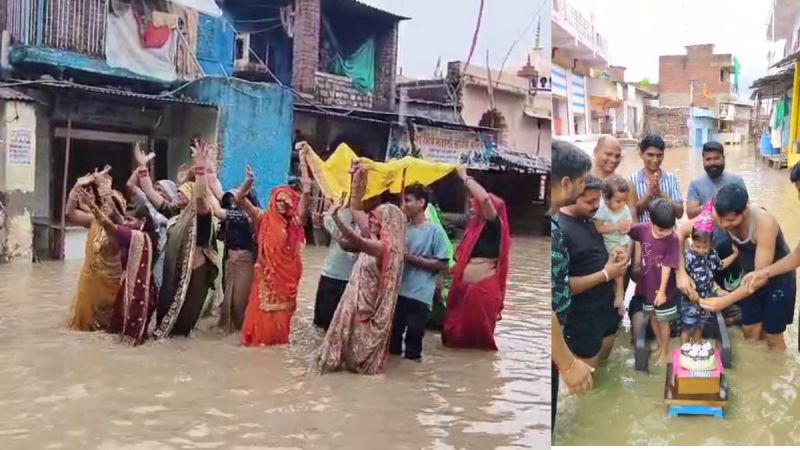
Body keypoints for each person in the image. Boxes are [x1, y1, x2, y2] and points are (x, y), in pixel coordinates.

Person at [682, 184, 796, 351]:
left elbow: (760, 278)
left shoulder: (764, 223)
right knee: (750, 332)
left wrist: (723, 301)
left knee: (772, 336)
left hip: (778, 282)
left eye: (730, 220)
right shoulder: (717, 215)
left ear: (746, 209)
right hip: (749, 278)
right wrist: (681, 274)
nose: (723, 225)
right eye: (720, 219)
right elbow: (680, 233)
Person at [316, 194, 406, 374]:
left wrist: (334, 217)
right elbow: (347, 244)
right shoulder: (380, 243)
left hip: (366, 308)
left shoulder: (382, 248)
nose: (371, 219)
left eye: (376, 218)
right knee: (350, 354)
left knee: (359, 356)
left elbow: (355, 240)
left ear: (387, 224)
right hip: (358, 303)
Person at [138, 142, 220, 338]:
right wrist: (142, 168)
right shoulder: (175, 213)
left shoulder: (201, 217)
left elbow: (201, 199)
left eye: (184, 192)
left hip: (192, 280)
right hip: (171, 275)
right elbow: (150, 194)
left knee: (181, 330)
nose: (179, 194)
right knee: (164, 323)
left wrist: (200, 169)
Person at [239, 151, 311, 346]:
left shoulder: (295, 223)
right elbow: (240, 200)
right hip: (266, 277)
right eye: (278, 201)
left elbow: (305, 197)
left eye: (285, 202)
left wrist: (304, 164)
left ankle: (277, 346)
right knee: (262, 316)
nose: (281, 205)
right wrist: (249, 182)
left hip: (287, 278)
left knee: (281, 319)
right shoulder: (262, 218)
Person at [558, 175, 628, 368]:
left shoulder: (590, 220)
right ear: (572, 196)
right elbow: (561, 286)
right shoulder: (560, 230)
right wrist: (606, 274)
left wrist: (614, 256)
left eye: (598, 200)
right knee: (584, 380)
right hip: (582, 318)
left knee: (604, 371)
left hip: (606, 309)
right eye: (589, 201)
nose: (596, 206)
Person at [550, 140, 595, 433]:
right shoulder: (552, 233)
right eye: (581, 182)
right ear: (566, 183)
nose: (584, 189)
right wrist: (567, 364)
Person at [441, 167, 511, 350]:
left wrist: (464, 176)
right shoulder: (474, 228)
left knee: (478, 342)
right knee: (454, 339)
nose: (472, 206)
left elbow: (485, 198)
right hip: (464, 291)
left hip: (482, 292)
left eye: (474, 203)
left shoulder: (494, 225)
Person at [79, 193, 159, 346]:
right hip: (134, 289)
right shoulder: (145, 235)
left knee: (131, 341)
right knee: (122, 337)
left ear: (142, 221)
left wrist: (93, 206)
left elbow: (110, 226)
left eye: (130, 220)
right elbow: (118, 221)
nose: (126, 223)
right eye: (126, 219)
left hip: (139, 295)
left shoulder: (137, 237)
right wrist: (107, 197)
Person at [686, 141, 747, 324]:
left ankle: (731, 315)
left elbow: (744, 211)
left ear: (724, 158)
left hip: (732, 245)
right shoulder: (696, 183)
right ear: (703, 160)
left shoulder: (736, 181)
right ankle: (708, 318)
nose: (712, 162)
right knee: (706, 285)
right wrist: (713, 203)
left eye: (716, 158)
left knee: (732, 285)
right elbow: (690, 212)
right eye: (708, 159)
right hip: (706, 247)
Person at [741, 163, 800, 351]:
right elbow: (797, 256)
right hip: (776, 276)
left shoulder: (765, 224)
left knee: (774, 336)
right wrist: (765, 272)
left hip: (782, 285)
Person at [391, 183, 449, 360]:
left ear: (421, 202)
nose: (404, 205)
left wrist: (411, 259)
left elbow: (443, 264)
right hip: (399, 292)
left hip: (420, 295)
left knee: (413, 345)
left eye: (408, 201)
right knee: (392, 344)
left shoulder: (435, 231)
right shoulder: (401, 229)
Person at [66, 167, 126, 332]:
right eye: (105, 202)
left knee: (108, 330)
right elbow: (70, 213)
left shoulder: (122, 230)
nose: (106, 205)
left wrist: (104, 187)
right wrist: (77, 186)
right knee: (84, 331)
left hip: (111, 287)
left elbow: (113, 214)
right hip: (90, 284)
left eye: (111, 204)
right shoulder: (94, 221)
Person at [628, 199, 680, 366]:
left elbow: (667, 266)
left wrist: (663, 291)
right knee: (652, 317)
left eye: (669, 229)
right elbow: (629, 229)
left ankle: (665, 350)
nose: (665, 233)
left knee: (663, 320)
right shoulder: (643, 229)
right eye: (661, 230)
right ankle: (658, 344)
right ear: (651, 221)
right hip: (648, 286)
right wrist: (620, 226)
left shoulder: (673, 238)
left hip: (665, 289)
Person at [679, 201, 738, 344]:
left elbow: (720, 265)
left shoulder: (712, 254)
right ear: (692, 240)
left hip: (706, 299)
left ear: (711, 242)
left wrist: (734, 255)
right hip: (691, 300)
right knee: (687, 327)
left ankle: (697, 345)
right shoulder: (688, 256)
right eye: (697, 246)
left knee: (700, 325)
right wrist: (686, 280)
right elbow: (682, 274)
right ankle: (684, 350)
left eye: (704, 246)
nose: (700, 250)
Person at [215, 170, 260, 334]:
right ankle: (232, 332)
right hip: (230, 261)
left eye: (236, 199)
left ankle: (242, 334)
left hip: (244, 261)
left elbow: (216, 210)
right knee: (229, 301)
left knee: (239, 302)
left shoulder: (246, 217)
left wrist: (204, 179)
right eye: (231, 200)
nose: (233, 202)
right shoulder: (234, 215)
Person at [312, 197, 358, 331]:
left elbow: (351, 245)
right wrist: (319, 226)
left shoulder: (368, 215)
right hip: (331, 274)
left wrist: (331, 222)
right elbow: (323, 243)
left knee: (347, 329)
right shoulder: (336, 210)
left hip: (356, 279)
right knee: (321, 328)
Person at [593, 174, 633, 314]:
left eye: (624, 200)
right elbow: (598, 228)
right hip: (609, 242)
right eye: (618, 201)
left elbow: (629, 225)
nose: (622, 204)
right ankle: (620, 292)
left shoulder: (625, 209)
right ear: (606, 198)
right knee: (619, 257)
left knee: (623, 258)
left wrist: (626, 228)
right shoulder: (603, 210)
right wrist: (616, 227)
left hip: (623, 241)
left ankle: (619, 297)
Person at [627, 133, 684, 223]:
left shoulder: (672, 178)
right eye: (650, 155)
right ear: (641, 155)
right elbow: (631, 216)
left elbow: (680, 214)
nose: (655, 160)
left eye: (659, 155)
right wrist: (649, 194)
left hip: (668, 235)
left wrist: (661, 194)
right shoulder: (631, 181)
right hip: (641, 236)